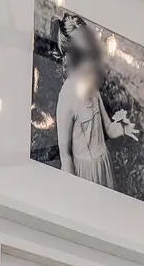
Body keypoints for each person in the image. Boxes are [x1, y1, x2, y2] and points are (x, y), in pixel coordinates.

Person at [54, 16, 135, 190]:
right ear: (70, 56)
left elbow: (109, 129)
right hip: (85, 174)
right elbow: (65, 157)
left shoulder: (92, 88)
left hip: (103, 165)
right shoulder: (67, 98)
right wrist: (71, 189)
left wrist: (123, 127)